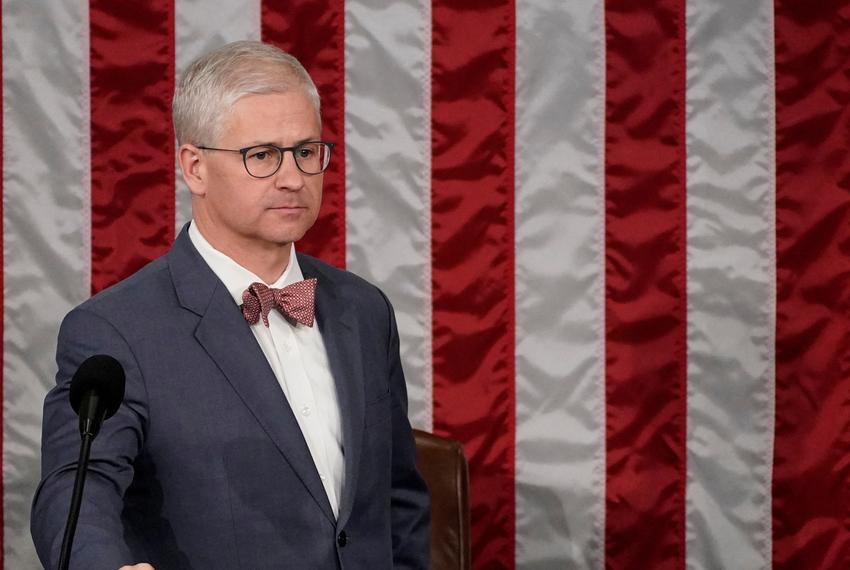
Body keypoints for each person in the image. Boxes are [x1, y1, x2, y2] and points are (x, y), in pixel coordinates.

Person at [30, 41, 430, 570]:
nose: (293, 177)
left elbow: (398, 498)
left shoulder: (364, 309)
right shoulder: (114, 329)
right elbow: (76, 490)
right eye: (261, 155)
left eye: (307, 152)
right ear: (194, 167)